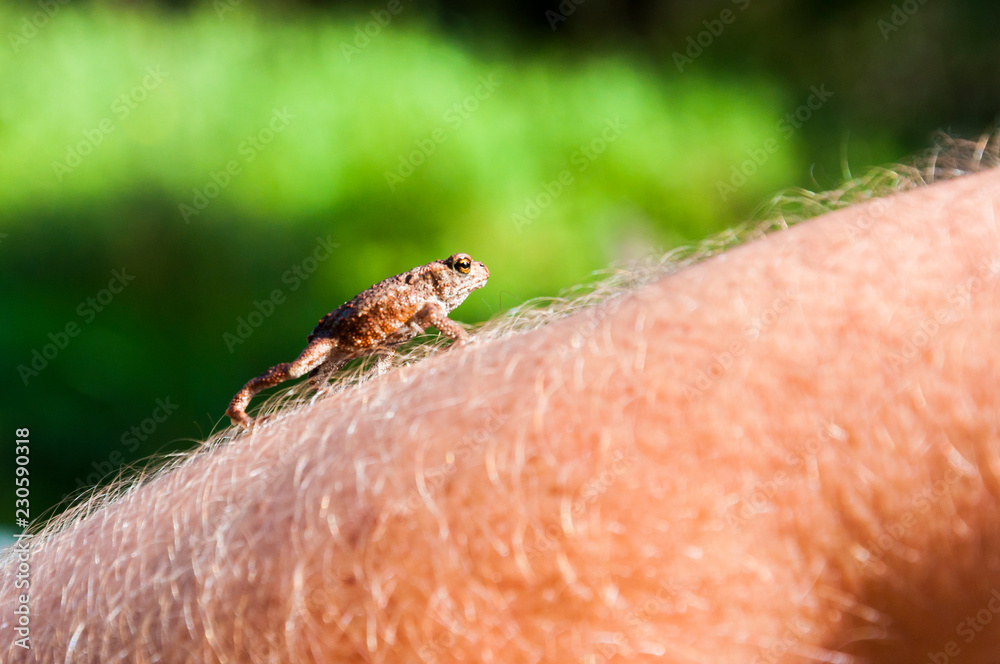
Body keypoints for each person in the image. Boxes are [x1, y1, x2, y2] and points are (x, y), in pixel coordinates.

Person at [4, 152, 1000, 664]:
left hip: (372, 323)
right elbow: (402, 318)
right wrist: (439, 335)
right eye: (461, 272)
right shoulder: (426, 296)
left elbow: (426, 314)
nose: (465, 282)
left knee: (307, 366)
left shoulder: (435, 292)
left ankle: (246, 395)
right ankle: (243, 398)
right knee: (303, 366)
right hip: (363, 324)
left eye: (463, 274)